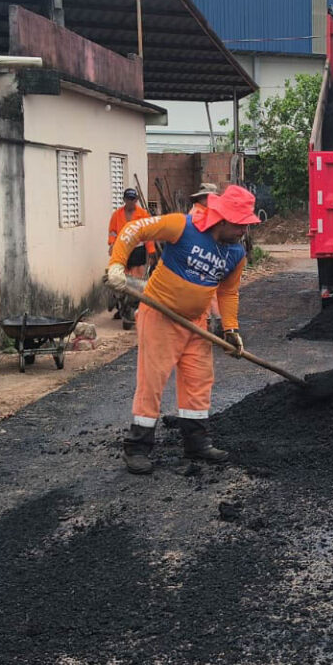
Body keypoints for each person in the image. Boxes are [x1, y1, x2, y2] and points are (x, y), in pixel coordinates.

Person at [105, 185, 260, 474]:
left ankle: (196, 443)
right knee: (152, 382)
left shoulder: (235, 253)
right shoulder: (183, 226)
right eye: (240, 225)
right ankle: (137, 447)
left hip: (197, 323)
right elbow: (134, 229)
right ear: (223, 219)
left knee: (199, 381)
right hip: (160, 315)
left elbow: (228, 292)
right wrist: (116, 265)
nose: (244, 231)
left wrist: (230, 329)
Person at [107, 189, 152, 330]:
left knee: (137, 281)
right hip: (122, 249)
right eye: (128, 199)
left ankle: (135, 309)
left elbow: (148, 234)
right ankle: (122, 307)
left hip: (138, 249)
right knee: (122, 280)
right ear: (124, 200)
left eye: (133, 199)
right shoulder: (117, 215)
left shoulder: (142, 214)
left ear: (136, 200)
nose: (130, 202)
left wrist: (151, 251)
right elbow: (112, 232)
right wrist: (112, 244)